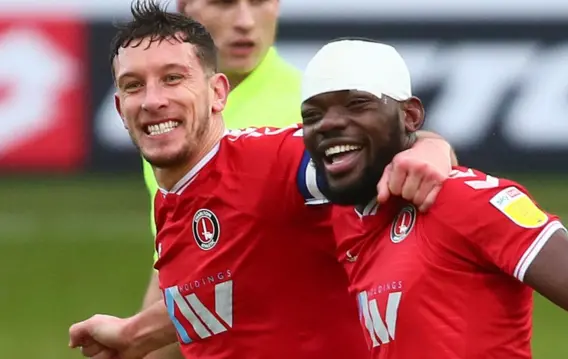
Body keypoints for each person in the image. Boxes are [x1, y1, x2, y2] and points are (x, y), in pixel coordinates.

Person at [68, 2, 455, 359]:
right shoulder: (178, 189)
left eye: (173, 79)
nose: (153, 100)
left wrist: (427, 148)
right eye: (135, 85)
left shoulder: (273, 157)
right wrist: (136, 334)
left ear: (218, 93)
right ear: (119, 107)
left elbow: (394, 158)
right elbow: (239, 284)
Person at [301, 39, 568, 359]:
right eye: (313, 115)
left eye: (357, 104)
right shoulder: (347, 217)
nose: (329, 123)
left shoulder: (462, 198)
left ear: (411, 116)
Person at [140, 1, 345, 357]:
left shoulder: (311, 110)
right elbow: (179, 268)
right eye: (223, 3)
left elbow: (402, 155)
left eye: (258, 2)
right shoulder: (168, 118)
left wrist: (430, 147)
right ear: (185, 8)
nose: (245, 22)